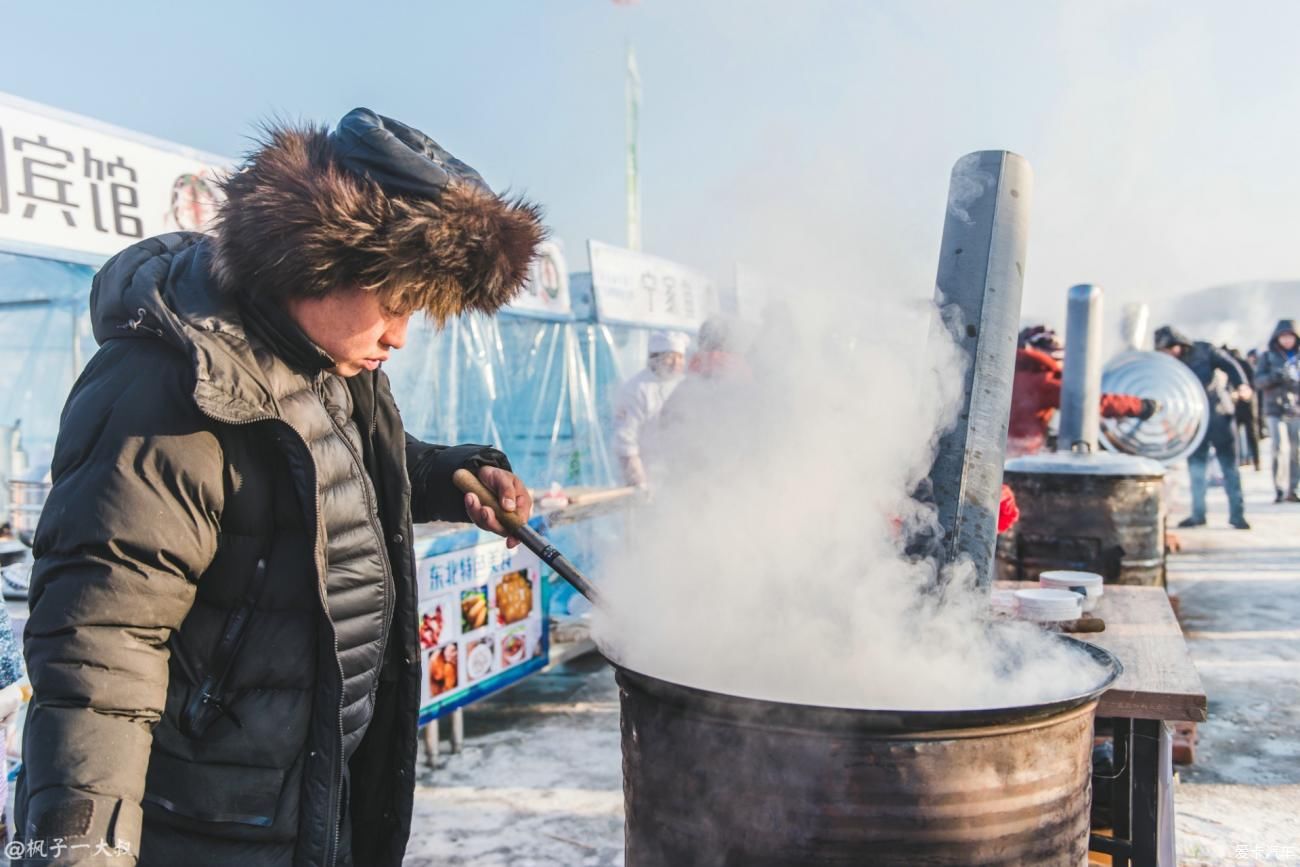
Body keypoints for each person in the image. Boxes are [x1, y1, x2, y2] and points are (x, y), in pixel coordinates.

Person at [14, 109, 544, 866]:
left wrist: (445, 472)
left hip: (306, 797)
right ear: (325, 258)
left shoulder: (323, 362)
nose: (400, 334)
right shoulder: (163, 388)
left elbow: (340, 469)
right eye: (394, 302)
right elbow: (99, 656)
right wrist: (75, 850)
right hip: (207, 829)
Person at [1154, 325, 1252, 529]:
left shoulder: (1204, 350)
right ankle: (1198, 514)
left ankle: (1237, 514)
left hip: (1219, 413)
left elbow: (1230, 365)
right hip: (1193, 421)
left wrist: (1242, 385)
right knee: (1196, 468)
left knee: (1229, 467)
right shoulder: (1168, 365)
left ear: (1176, 345)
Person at [1007, 326, 1158, 457]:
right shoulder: (1042, 382)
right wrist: (1139, 406)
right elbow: (1086, 401)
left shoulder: (1011, 374)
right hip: (1020, 454)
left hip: (1004, 449)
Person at [611, 330, 688, 486]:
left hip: (678, 472)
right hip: (649, 471)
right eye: (669, 357)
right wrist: (638, 480)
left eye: (679, 357)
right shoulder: (636, 389)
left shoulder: (684, 384)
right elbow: (625, 441)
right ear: (654, 359)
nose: (675, 363)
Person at [1253, 319, 1300, 502]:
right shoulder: (1268, 357)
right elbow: (1258, 381)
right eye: (1283, 337)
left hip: (1296, 408)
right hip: (1275, 408)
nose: (1287, 340)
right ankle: (1279, 488)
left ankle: (1293, 488)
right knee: (1278, 448)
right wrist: (1275, 377)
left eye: (1290, 337)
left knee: (1296, 451)